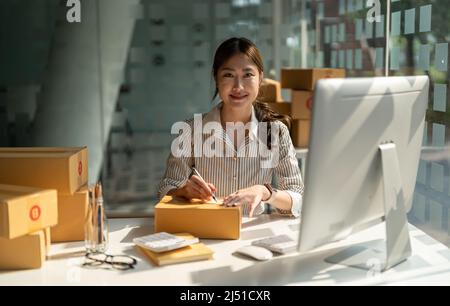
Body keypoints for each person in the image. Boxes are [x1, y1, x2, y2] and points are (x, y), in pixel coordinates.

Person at [157, 37, 303, 218]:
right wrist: (182, 192)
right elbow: (165, 191)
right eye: (228, 75)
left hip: (252, 235)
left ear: (261, 78)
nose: (238, 86)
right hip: (206, 231)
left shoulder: (276, 132)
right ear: (216, 79)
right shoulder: (190, 130)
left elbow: (297, 198)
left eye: (248, 75)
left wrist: (266, 192)